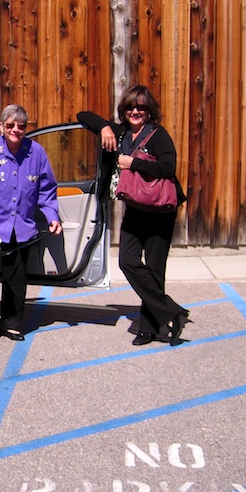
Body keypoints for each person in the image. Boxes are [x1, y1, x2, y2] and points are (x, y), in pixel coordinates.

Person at [77, 85, 189, 346]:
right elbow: (82, 116)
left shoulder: (158, 135)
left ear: (149, 110)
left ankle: (149, 329)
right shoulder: (121, 132)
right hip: (135, 210)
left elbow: (168, 166)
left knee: (154, 269)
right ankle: (171, 311)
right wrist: (104, 127)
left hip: (160, 211)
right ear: (123, 110)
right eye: (130, 107)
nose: (135, 111)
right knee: (127, 262)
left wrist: (134, 163)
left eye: (140, 107)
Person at [0, 104, 63, 347]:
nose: (15, 130)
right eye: (10, 125)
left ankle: (11, 324)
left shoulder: (36, 153)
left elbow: (47, 190)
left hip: (22, 229)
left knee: (16, 281)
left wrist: (52, 216)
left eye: (21, 126)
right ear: (1, 127)